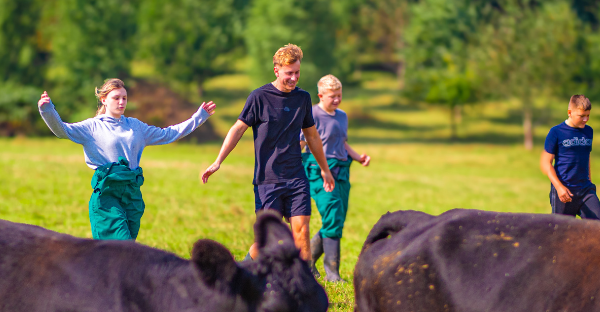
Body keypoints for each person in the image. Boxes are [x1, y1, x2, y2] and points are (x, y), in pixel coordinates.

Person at [201, 44, 335, 263]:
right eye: (289, 73)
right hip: (267, 180)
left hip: (296, 177)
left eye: (297, 73)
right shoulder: (259, 97)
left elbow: (312, 137)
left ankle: (302, 287)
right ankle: (242, 271)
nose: (294, 78)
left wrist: (324, 169)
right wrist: (218, 161)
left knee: (301, 233)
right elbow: (238, 129)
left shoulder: (302, 99)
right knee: (267, 242)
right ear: (276, 70)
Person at [38, 79, 215, 241]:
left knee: (124, 254)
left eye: (124, 98)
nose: (122, 102)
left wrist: (198, 117)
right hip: (107, 195)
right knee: (125, 248)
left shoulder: (136, 126)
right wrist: (47, 110)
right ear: (104, 100)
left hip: (132, 194)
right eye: (116, 98)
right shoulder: (92, 127)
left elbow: (169, 134)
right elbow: (62, 130)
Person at [300, 75, 370, 282]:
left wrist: (358, 157)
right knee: (331, 215)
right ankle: (332, 273)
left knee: (337, 219)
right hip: (318, 171)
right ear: (321, 95)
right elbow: (302, 144)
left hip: (341, 171)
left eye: (339, 95)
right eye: (333, 96)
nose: (337, 100)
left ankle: (307, 263)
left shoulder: (342, 116)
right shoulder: (311, 114)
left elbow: (343, 143)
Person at [540, 94, 600, 221]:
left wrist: (590, 182)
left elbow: (587, 157)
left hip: (586, 190)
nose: (586, 119)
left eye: (588, 115)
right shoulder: (556, 132)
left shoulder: (589, 131)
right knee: (562, 234)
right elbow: (546, 163)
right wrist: (559, 187)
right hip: (564, 191)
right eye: (581, 116)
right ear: (569, 112)